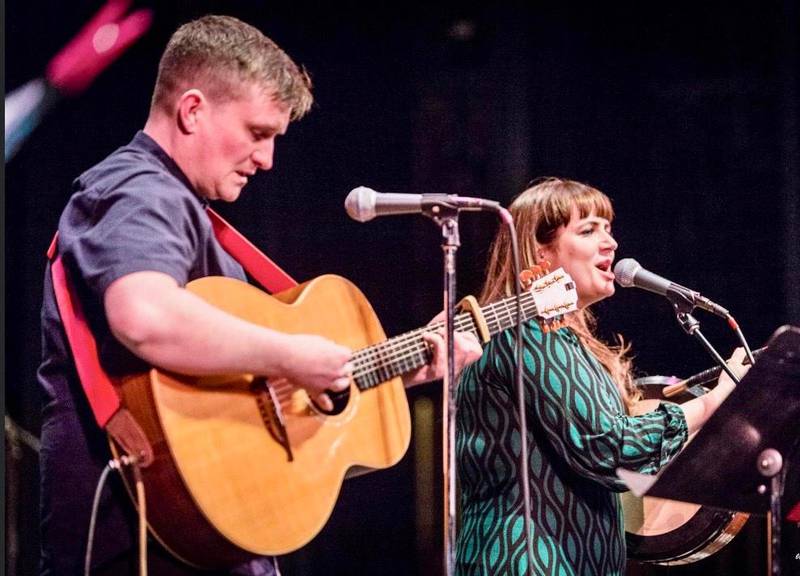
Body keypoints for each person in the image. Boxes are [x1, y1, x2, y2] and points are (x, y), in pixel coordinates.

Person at [37, 15, 481, 576]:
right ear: (193, 109)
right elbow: (144, 316)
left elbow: (256, 398)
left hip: (205, 542)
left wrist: (391, 371)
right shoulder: (137, 191)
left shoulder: (181, 210)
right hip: (142, 544)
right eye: (257, 132)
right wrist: (293, 354)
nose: (267, 159)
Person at [454, 177, 747, 575]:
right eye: (589, 230)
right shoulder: (531, 332)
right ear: (542, 251)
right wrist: (713, 403)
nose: (610, 243)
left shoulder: (560, 339)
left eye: (608, 229)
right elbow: (609, 447)